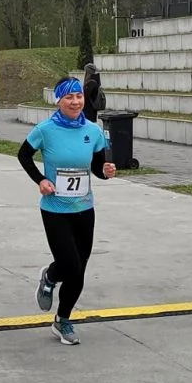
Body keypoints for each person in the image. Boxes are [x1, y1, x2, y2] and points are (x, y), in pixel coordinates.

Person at [18, 76, 117, 345]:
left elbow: (97, 168)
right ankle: (51, 275)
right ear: (58, 101)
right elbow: (23, 155)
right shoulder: (45, 130)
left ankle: (62, 320)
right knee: (70, 266)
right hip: (55, 209)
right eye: (69, 97)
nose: (75, 102)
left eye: (79, 96)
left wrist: (106, 172)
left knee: (79, 270)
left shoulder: (93, 131)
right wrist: (41, 180)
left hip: (84, 209)